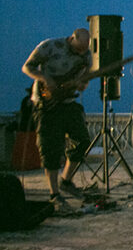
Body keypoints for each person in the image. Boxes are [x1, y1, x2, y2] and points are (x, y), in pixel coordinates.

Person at [21, 28, 92, 209]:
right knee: (50, 148)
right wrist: (45, 78)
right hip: (46, 103)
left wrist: (82, 83)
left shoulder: (86, 55)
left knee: (82, 139)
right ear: (72, 38)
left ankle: (66, 181)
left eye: (84, 50)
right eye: (78, 49)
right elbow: (27, 67)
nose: (81, 52)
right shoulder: (49, 46)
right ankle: (54, 194)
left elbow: (84, 78)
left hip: (68, 101)